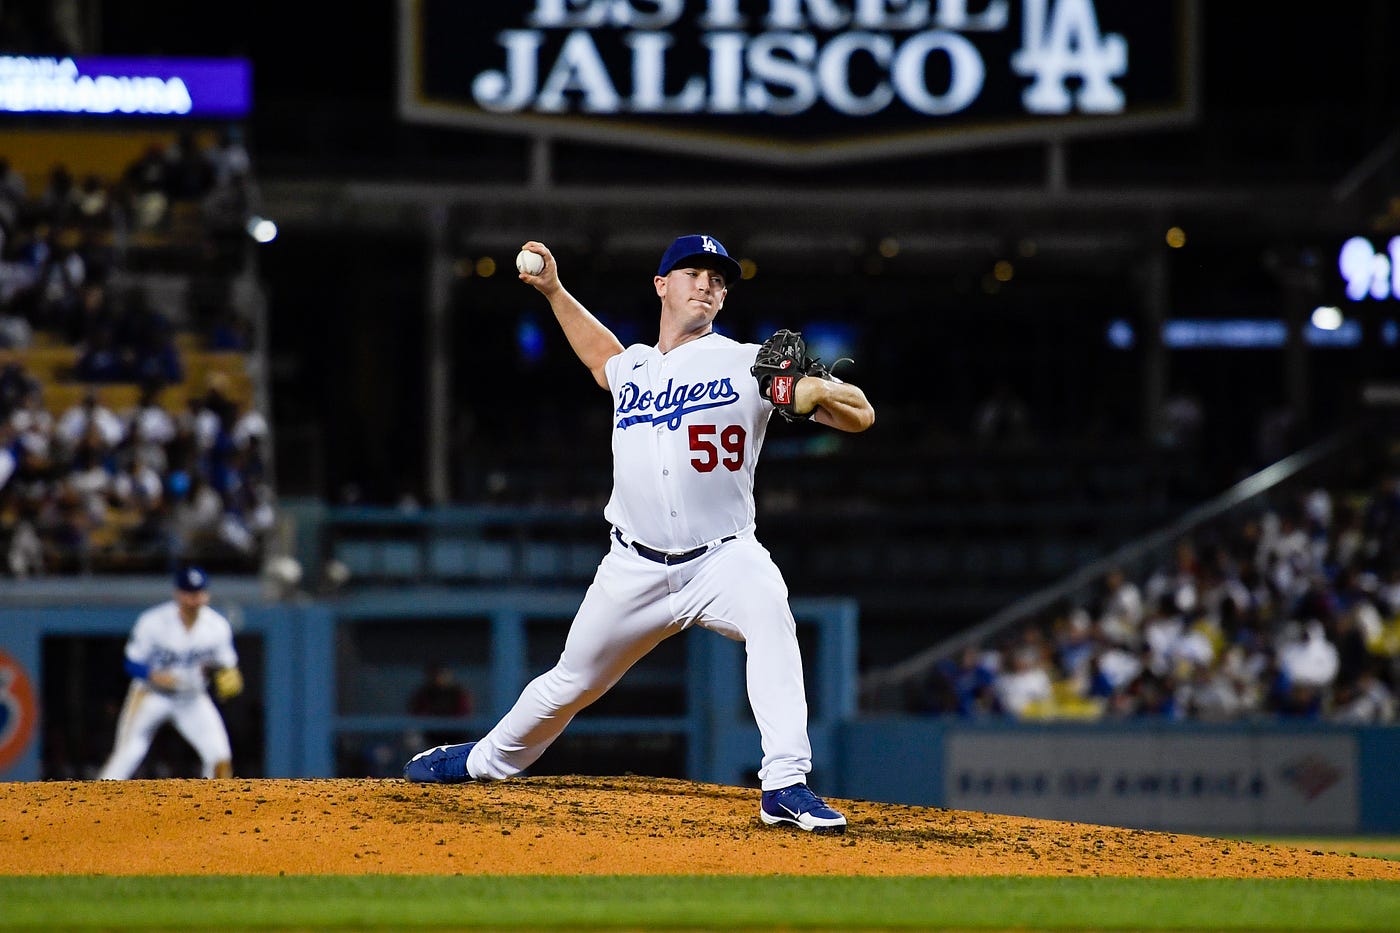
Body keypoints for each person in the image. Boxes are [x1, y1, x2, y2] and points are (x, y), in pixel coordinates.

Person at [403, 235, 875, 833]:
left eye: (718, 278)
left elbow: (861, 415)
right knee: (569, 683)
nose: (707, 283)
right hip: (634, 567)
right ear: (661, 285)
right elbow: (602, 359)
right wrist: (553, 289)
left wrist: (813, 390)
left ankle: (784, 783)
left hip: (722, 559)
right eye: (693, 272)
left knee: (770, 612)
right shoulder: (635, 369)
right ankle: (481, 761)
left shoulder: (745, 361)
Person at [97, 566, 244, 779]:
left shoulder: (217, 626)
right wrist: (151, 675)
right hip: (152, 694)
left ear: (206, 595)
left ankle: (217, 810)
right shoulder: (153, 622)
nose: (194, 599)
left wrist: (227, 676)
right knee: (128, 755)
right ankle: (94, 807)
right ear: (178, 594)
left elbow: (226, 666)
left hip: (192, 698)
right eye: (189, 593)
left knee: (220, 757)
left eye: (199, 593)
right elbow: (130, 663)